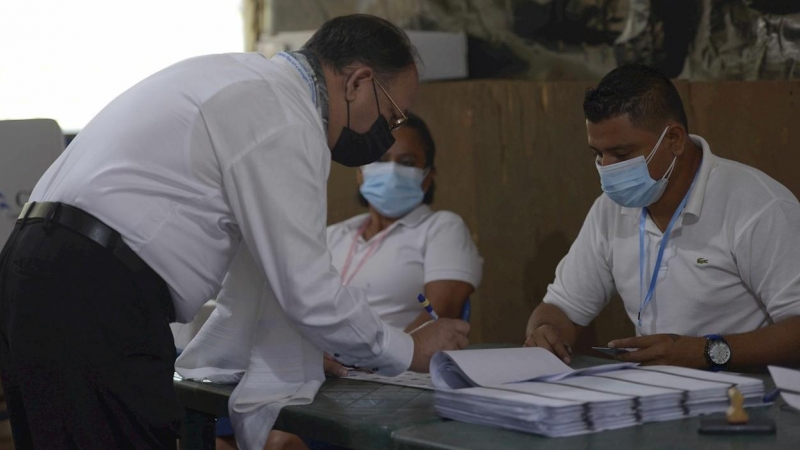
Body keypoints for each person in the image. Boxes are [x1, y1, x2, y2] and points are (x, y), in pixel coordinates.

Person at [0, 14, 469, 450]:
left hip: (41, 270)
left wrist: (301, 355)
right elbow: (306, 287)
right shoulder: (288, 117)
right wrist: (408, 348)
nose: (385, 134)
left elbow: (263, 268)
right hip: (92, 292)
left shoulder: (244, 79)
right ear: (359, 82)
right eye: (392, 116)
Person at [524, 64, 800, 372]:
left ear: (674, 140)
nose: (607, 168)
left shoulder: (758, 206)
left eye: (622, 154)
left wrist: (704, 352)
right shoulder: (611, 209)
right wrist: (544, 331)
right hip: (657, 394)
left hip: (748, 397)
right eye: (597, 154)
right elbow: (561, 308)